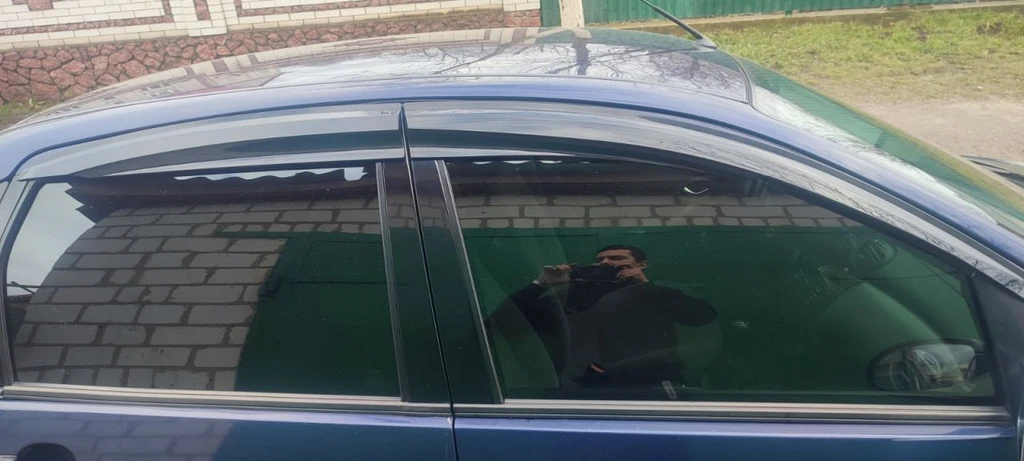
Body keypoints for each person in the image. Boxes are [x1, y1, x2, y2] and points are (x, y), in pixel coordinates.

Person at [488, 245, 717, 388]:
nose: (606, 263)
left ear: (642, 265)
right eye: (599, 261)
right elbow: (501, 321)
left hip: (652, 385)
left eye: (616, 258)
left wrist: (644, 286)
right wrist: (541, 284)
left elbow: (701, 317)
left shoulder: (657, 292)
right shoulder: (570, 296)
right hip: (582, 387)